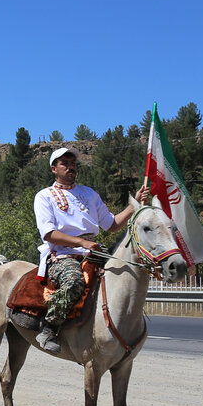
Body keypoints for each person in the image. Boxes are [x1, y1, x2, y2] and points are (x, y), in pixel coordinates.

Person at [33, 147, 149, 354]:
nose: (70, 167)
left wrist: (135, 204)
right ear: (53, 169)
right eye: (64, 163)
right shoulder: (44, 196)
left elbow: (112, 225)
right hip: (62, 253)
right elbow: (49, 234)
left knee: (127, 274)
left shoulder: (89, 193)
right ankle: (50, 328)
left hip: (94, 250)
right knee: (74, 281)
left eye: (73, 163)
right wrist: (81, 243)